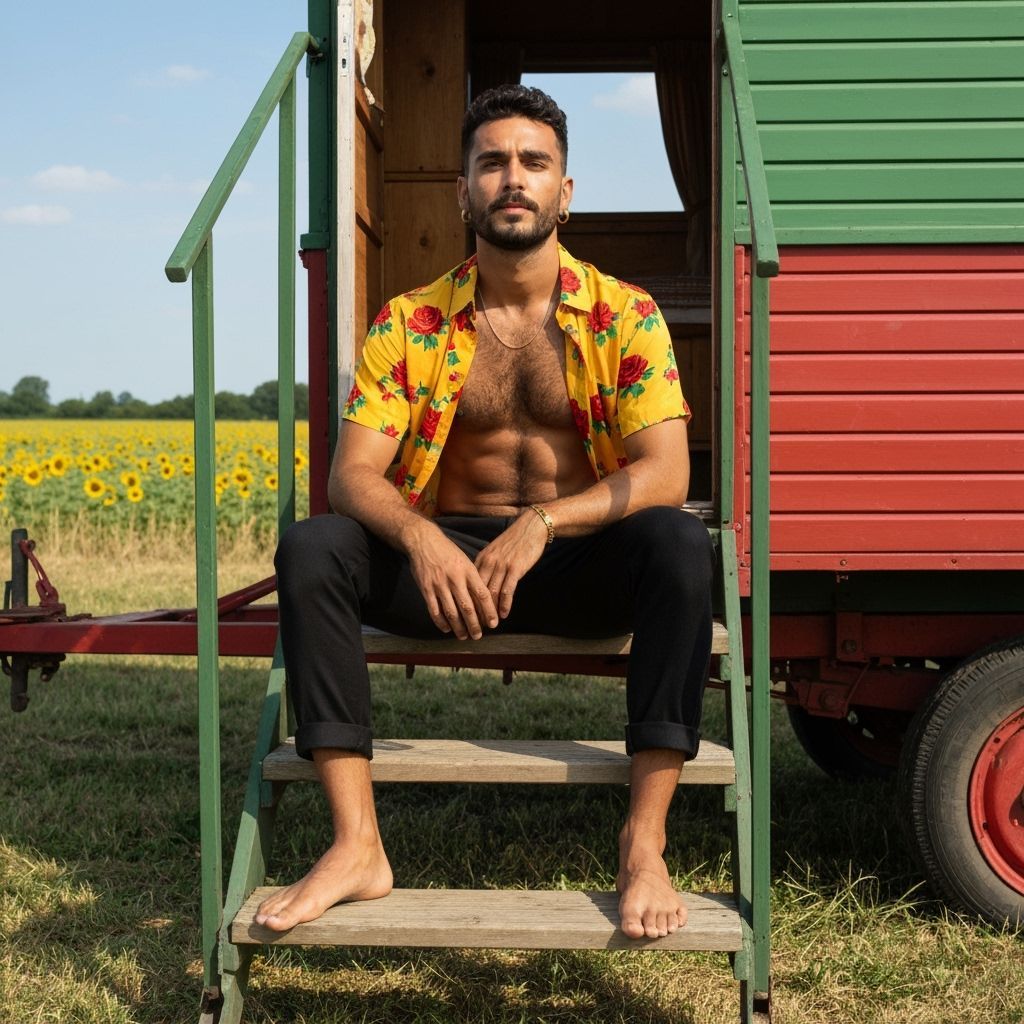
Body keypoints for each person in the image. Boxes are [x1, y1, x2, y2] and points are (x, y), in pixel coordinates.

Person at [255, 85, 714, 941]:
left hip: (577, 563)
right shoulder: (412, 321)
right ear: (462, 190)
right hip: (447, 574)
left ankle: (644, 843)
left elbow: (664, 471)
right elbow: (352, 476)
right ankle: (356, 844)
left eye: (534, 162)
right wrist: (422, 536)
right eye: (492, 162)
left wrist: (542, 523)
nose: (514, 178)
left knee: (681, 545)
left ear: (564, 192)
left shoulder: (626, 313)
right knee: (315, 548)